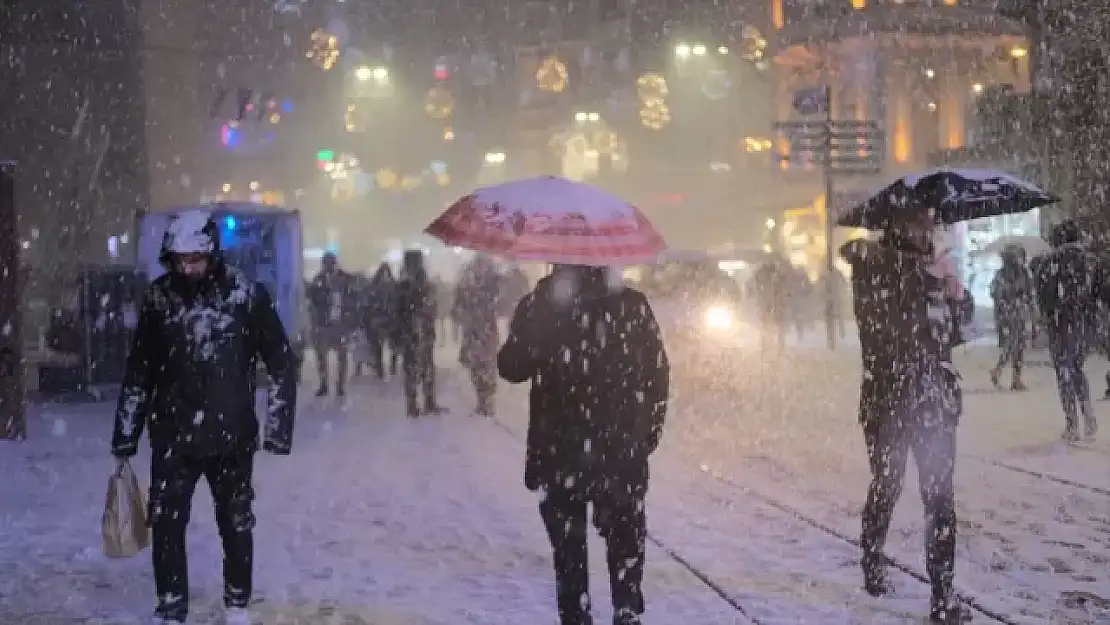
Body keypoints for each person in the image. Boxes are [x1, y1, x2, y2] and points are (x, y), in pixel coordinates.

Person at [110, 211, 296, 625]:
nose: (188, 268)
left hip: (232, 436)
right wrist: (126, 434)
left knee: (236, 523)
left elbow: (281, 362)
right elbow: (140, 369)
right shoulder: (159, 299)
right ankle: (172, 605)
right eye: (181, 260)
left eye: (195, 259)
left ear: (212, 255)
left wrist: (277, 430)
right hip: (173, 435)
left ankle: (236, 603)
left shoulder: (246, 295)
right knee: (166, 524)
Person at [498, 264, 670, 625]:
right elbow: (657, 372)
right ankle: (626, 606)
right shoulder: (631, 304)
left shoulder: (541, 303)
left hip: (561, 445)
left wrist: (537, 334)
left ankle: (576, 613)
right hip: (620, 444)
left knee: (568, 546)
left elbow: (511, 367)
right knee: (624, 529)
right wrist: (647, 432)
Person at [840, 206, 973, 624]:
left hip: (934, 402)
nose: (927, 228)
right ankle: (873, 558)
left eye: (930, 222)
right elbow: (884, 329)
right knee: (888, 484)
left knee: (940, 498)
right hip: (888, 401)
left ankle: (942, 593)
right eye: (918, 221)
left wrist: (956, 296)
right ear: (896, 224)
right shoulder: (873, 268)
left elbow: (954, 335)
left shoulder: (932, 271)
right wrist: (924, 281)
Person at [1033, 219, 1101, 442]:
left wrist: (1048, 316)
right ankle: (1088, 413)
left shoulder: (1050, 262)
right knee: (1077, 369)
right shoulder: (1088, 262)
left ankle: (1072, 422)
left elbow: (1043, 295)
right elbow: (1097, 293)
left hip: (1060, 323)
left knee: (1064, 372)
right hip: (1082, 323)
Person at [395, 250, 443, 416]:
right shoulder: (410, 285)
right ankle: (420, 403)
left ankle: (419, 403)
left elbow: (398, 311)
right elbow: (400, 310)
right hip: (414, 332)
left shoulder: (409, 285)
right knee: (420, 368)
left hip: (416, 332)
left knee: (419, 368)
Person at [453, 254, 502, 415]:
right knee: (475, 367)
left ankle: (488, 401)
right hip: (473, 332)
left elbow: (499, 303)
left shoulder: (493, 284)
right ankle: (481, 399)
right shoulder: (465, 286)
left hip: (486, 332)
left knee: (488, 367)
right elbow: (456, 308)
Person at [307, 252, 357, 397]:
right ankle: (324, 384)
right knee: (321, 356)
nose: (327, 266)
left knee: (342, 355)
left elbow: (353, 297)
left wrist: (350, 315)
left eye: (330, 263)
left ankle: (340, 385)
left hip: (341, 324)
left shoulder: (344, 278)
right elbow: (312, 298)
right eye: (326, 263)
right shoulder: (319, 280)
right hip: (324, 324)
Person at [989, 244, 1034, 390]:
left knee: (1016, 345)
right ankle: (1005, 373)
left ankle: (1011, 376)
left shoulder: (1020, 274)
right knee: (1013, 344)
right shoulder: (1005, 275)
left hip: (1016, 312)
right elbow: (996, 294)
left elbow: (1029, 293)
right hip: (1012, 313)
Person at [364, 262, 399, 380]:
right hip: (382, 319)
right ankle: (381, 367)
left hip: (386, 319)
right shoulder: (390, 285)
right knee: (383, 345)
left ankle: (386, 367)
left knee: (390, 345)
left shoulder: (388, 286)